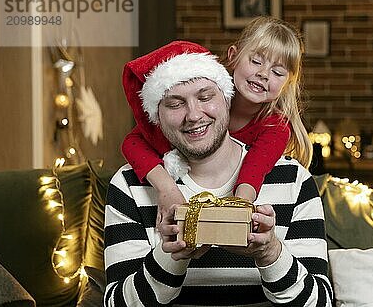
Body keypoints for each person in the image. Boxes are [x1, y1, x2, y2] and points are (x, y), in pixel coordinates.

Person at [69, 42, 373, 307]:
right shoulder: (131, 185)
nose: (194, 115)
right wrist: (171, 256)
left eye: (205, 97)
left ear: (227, 96)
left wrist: (271, 255)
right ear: (155, 116)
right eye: (175, 104)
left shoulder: (292, 179)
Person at [121, 17, 312, 225]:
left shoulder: (276, 127)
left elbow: (253, 172)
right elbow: (132, 142)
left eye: (277, 72)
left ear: (288, 82)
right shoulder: (204, 100)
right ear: (233, 56)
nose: (263, 74)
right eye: (256, 61)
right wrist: (166, 189)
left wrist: (239, 214)